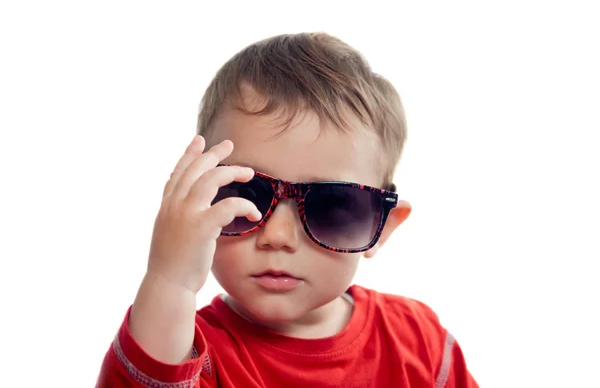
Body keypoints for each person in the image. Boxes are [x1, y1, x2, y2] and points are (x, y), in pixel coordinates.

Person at [96, 32, 478, 387]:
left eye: (332, 206)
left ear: (382, 225)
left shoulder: (421, 345)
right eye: (245, 193)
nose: (277, 237)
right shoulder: (188, 354)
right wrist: (169, 277)